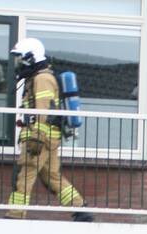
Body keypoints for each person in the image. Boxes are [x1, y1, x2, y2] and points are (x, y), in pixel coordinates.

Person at [5, 38, 91, 222]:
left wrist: (36, 137)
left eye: (20, 58)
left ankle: (15, 215)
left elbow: (42, 110)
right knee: (51, 177)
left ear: (30, 57)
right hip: (46, 138)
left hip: (40, 139)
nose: (18, 63)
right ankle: (80, 209)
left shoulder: (42, 78)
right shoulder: (37, 78)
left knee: (23, 174)